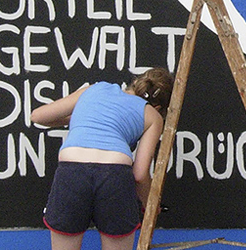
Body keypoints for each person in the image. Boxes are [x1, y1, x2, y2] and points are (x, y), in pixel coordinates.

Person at [31, 68, 175, 250]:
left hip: (71, 169)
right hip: (115, 174)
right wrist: (150, 206)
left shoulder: (94, 89)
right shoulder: (152, 115)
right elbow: (139, 174)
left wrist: (79, 118)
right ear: (158, 107)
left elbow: (38, 116)